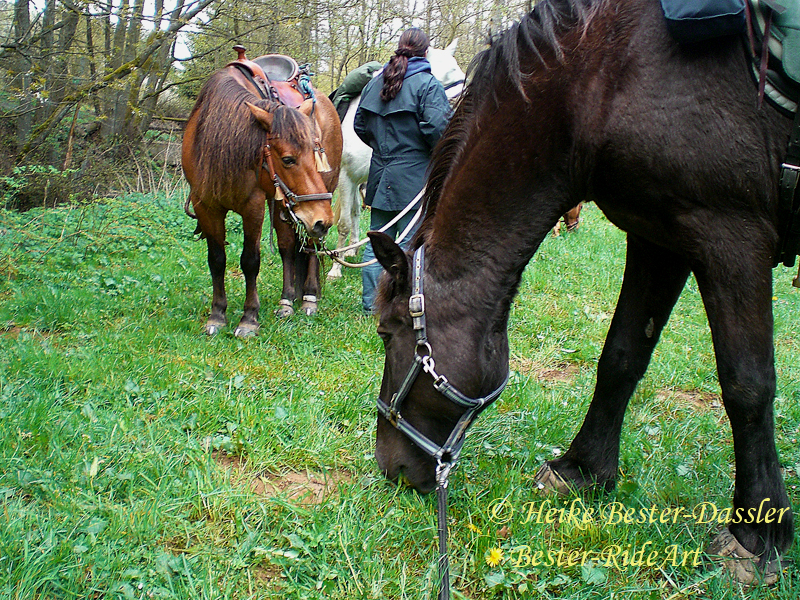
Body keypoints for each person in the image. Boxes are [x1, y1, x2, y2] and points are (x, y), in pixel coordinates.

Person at [354, 28, 451, 314]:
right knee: (411, 246)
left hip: (381, 173)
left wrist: (385, 150)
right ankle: (402, 306)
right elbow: (439, 129)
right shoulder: (428, 85)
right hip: (414, 178)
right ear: (426, 51)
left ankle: (372, 307)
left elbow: (360, 125)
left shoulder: (374, 84)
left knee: (378, 242)